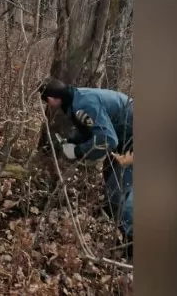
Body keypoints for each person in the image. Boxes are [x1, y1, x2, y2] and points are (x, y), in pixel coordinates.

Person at [38, 77, 134, 257]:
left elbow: (108, 140)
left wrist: (78, 151)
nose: (49, 106)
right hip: (127, 139)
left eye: (47, 102)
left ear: (51, 100)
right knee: (109, 174)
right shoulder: (78, 98)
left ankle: (133, 246)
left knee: (118, 190)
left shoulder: (83, 105)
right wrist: (71, 141)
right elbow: (93, 129)